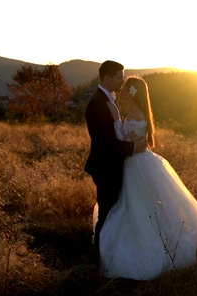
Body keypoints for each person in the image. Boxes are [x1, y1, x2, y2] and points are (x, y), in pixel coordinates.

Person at [97, 76, 197, 280]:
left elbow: (132, 145)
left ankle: (153, 246)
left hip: (137, 165)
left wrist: (115, 121)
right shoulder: (132, 112)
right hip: (134, 164)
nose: (121, 89)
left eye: (125, 88)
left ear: (132, 92)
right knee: (135, 206)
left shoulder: (137, 115)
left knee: (143, 205)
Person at [85, 61, 146, 250]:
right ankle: (99, 256)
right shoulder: (97, 103)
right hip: (106, 166)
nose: (122, 81)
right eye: (119, 77)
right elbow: (106, 142)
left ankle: (112, 249)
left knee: (116, 210)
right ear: (107, 77)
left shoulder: (110, 98)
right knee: (108, 212)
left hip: (115, 165)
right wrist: (134, 148)